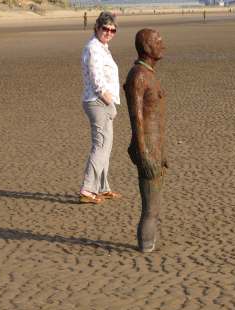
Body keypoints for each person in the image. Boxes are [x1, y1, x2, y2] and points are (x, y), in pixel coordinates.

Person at [124, 29, 167, 253]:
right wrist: (143, 152)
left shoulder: (149, 74)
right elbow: (136, 117)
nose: (163, 44)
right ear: (147, 47)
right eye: (158, 41)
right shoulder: (138, 75)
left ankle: (149, 243)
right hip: (147, 148)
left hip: (156, 148)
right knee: (150, 206)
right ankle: (146, 247)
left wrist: (162, 153)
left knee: (155, 204)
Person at [79, 12, 121, 204]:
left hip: (102, 102)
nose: (109, 32)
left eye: (113, 30)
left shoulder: (102, 47)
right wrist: (108, 101)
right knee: (100, 146)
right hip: (98, 102)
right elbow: (96, 78)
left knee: (106, 146)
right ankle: (88, 189)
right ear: (97, 27)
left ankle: (102, 187)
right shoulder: (93, 48)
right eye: (105, 28)